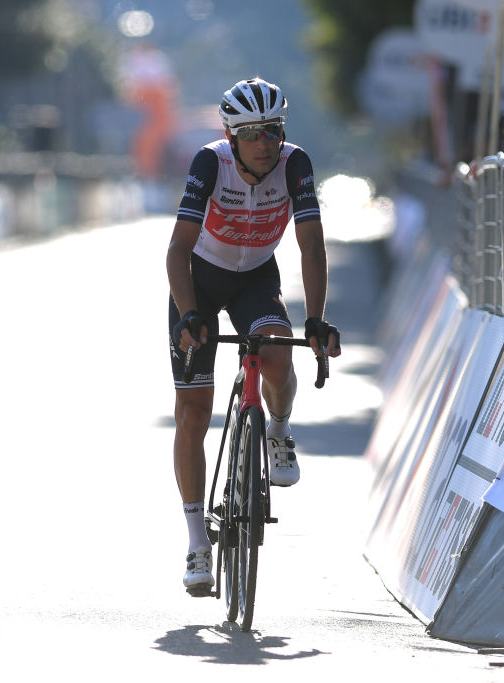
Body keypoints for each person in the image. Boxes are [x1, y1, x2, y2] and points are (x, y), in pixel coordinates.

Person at [166, 77, 341, 594]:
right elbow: (178, 249)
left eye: (272, 131)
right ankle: (197, 541)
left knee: (278, 357)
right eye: (250, 134)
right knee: (193, 413)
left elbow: (311, 244)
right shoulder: (209, 163)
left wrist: (315, 318)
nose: (264, 143)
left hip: (256, 279)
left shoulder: (295, 163)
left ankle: (278, 430)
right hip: (200, 280)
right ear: (231, 136)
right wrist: (188, 314)